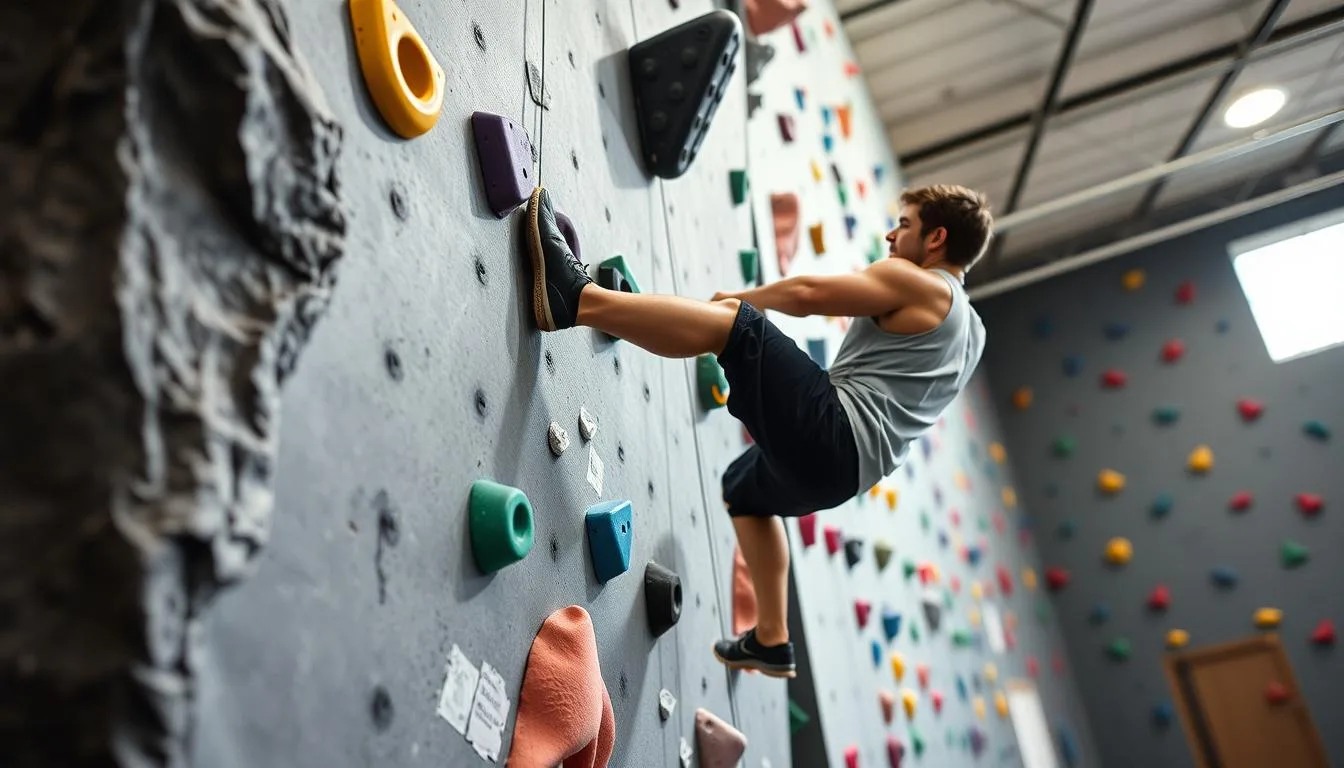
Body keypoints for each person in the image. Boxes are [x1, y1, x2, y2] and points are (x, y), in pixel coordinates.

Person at [522, 183, 990, 678]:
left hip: (835, 430)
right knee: (745, 491)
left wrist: (737, 299)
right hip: (844, 478)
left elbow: (809, 294)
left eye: (906, 225)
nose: (892, 236)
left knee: (738, 327)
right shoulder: (973, 334)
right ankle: (772, 638)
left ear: (936, 238)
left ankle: (574, 299)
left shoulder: (924, 283)